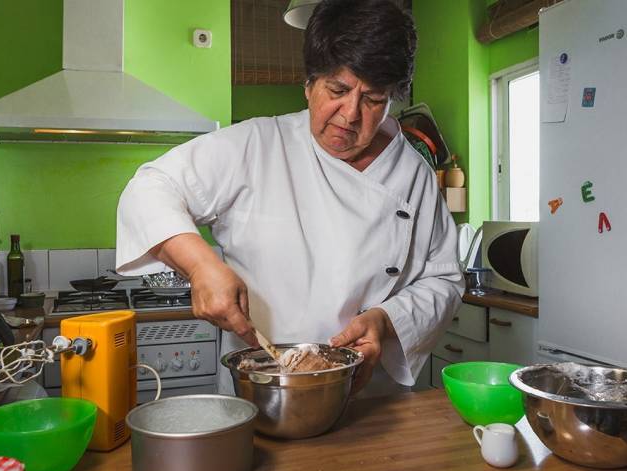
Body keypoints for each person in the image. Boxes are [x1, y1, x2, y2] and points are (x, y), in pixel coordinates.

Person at [116, 0, 463, 397]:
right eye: (338, 89)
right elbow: (149, 187)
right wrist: (200, 266)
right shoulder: (258, 144)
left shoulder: (412, 173)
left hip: (367, 399)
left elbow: (444, 279)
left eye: (373, 99)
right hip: (259, 388)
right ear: (309, 83)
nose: (350, 114)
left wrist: (386, 320)